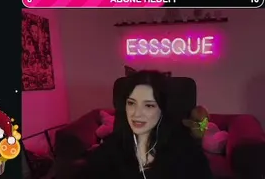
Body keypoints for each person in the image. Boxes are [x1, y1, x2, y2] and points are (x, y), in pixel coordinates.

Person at [80, 71, 212, 179]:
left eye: (148, 105)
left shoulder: (187, 153)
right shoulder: (111, 148)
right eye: (132, 103)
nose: (137, 113)